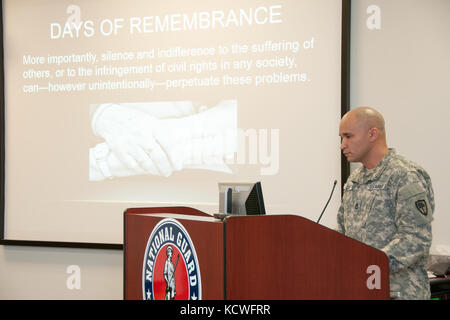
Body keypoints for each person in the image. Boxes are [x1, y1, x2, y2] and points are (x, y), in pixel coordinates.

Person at [337, 106, 434, 300]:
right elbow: (342, 232)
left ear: (372, 134)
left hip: (400, 293)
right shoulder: (355, 179)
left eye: (348, 136)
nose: (342, 145)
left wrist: (368, 264)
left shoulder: (405, 175)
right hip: (361, 291)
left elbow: (416, 238)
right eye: (341, 138)